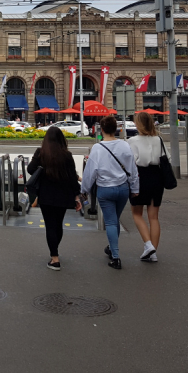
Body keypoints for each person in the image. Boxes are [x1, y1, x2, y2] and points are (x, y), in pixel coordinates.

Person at [81, 115, 139, 269]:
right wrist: (135, 188)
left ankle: (116, 257)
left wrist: (84, 190)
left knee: (112, 222)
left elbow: (90, 172)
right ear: (116, 129)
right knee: (115, 220)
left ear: (102, 130)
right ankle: (111, 247)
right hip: (123, 189)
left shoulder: (98, 148)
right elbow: (133, 169)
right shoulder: (125, 146)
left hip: (105, 189)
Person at [26, 126, 81, 271]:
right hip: (63, 194)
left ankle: (54, 257)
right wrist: (77, 196)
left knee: (50, 225)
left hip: (46, 195)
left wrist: (39, 161)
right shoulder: (67, 155)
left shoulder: (41, 153)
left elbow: (30, 169)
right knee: (58, 224)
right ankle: (55, 249)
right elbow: (72, 177)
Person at [127, 112, 164, 262]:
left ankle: (148, 245)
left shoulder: (132, 141)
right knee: (154, 217)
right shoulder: (158, 140)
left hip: (140, 177)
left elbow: (129, 162)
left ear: (138, 124)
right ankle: (153, 252)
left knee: (137, 214)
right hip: (157, 177)